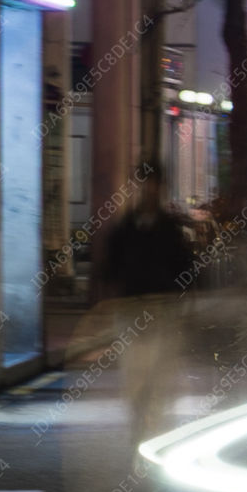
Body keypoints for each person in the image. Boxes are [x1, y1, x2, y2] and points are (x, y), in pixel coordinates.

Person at [95, 166, 201, 453]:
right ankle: (138, 425)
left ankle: (155, 432)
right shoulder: (125, 227)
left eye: (155, 185)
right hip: (131, 311)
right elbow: (109, 267)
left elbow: (186, 269)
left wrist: (185, 304)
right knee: (135, 375)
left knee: (160, 376)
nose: (150, 190)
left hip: (162, 312)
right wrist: (107, 300)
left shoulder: (170, 230)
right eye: (145, 184)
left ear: (161, 188)